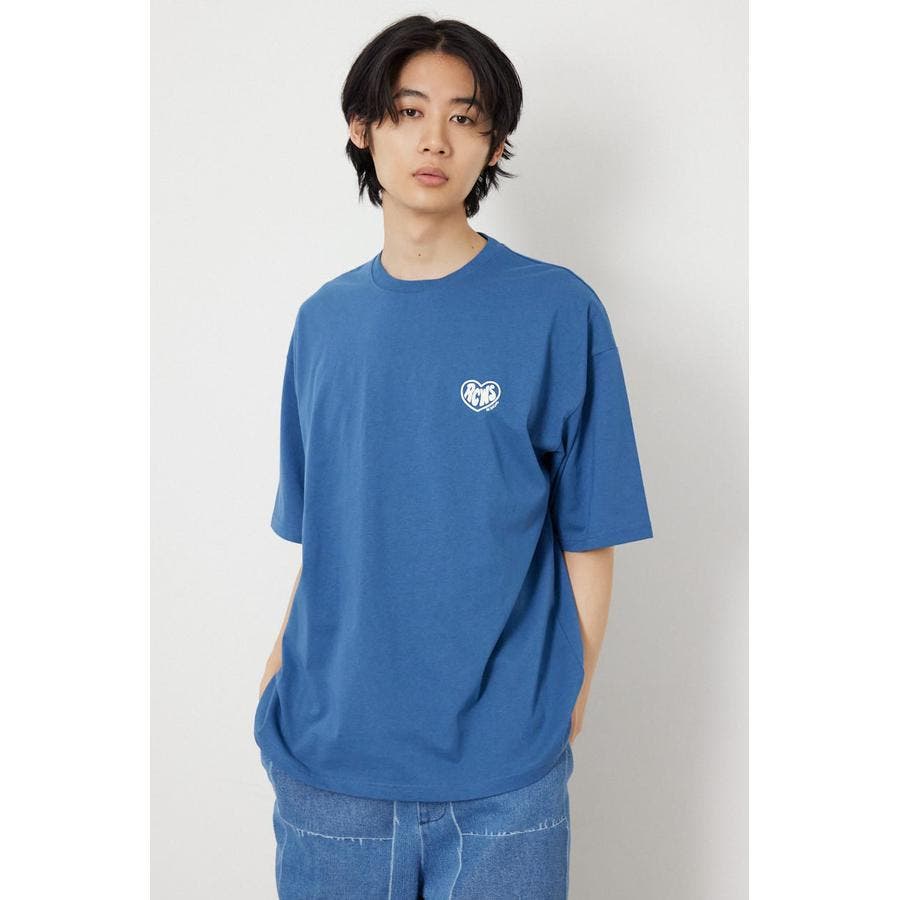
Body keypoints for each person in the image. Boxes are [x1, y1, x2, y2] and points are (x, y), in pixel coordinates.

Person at [253, 15, 653, 899]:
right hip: (327, 769)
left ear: (494, 145)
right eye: (408, 112)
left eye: (465, 118)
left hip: (504, 783)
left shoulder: (557, 311)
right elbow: (326, 535)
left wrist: (566, 701)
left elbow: (590, 534)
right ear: (363, 127)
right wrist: (278, 667)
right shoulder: (322, 323)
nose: (435, 139)